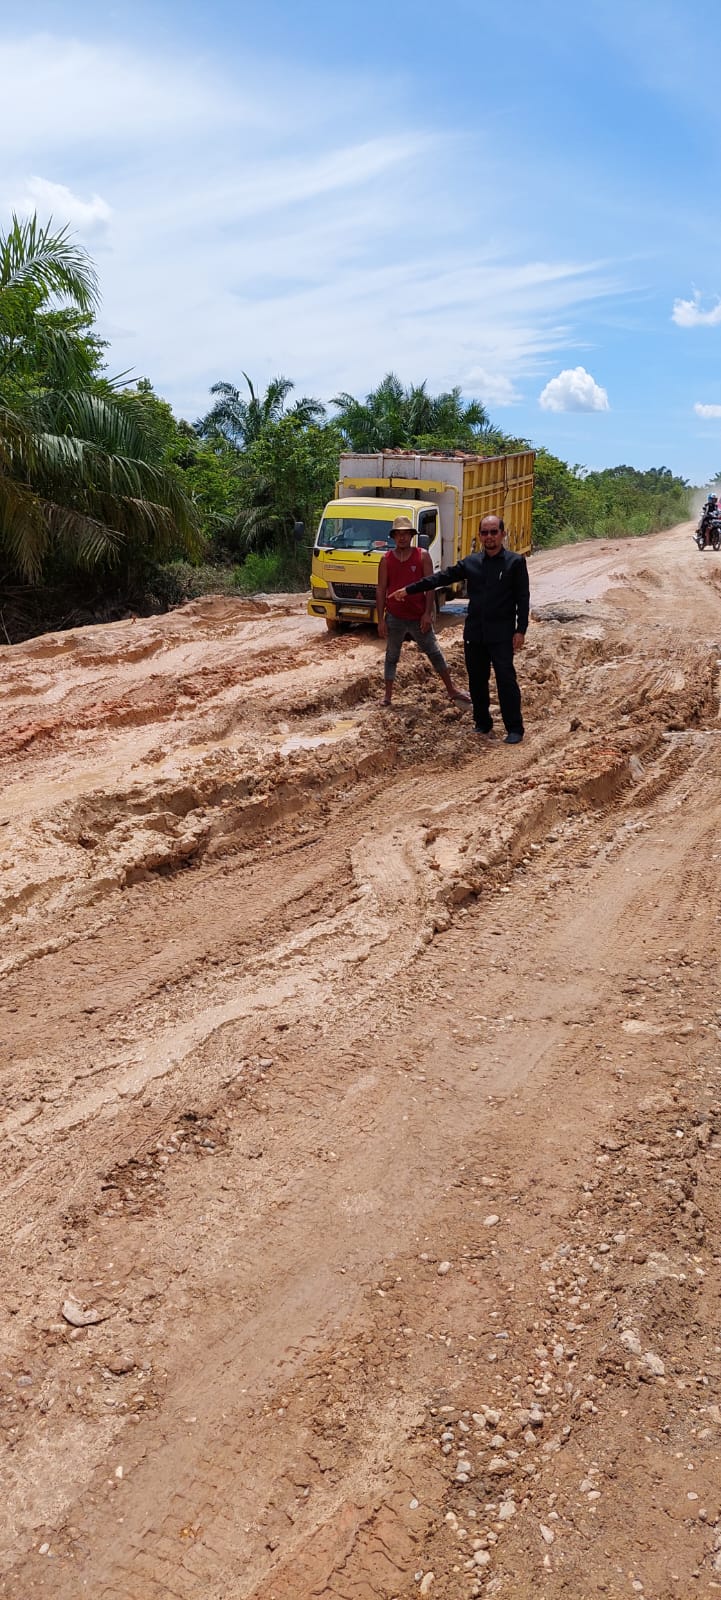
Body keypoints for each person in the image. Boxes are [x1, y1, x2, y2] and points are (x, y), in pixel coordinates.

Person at [388, 514, 529, 744]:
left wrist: (520, 629)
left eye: (494, 532)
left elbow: (523, 598)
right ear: (480, 536)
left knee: (506, 680)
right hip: (475, 633)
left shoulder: (515, 562)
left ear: (503, 534)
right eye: (485, 532)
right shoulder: (471, 563)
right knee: (477, 680)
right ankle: (482, 724)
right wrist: (409, 589)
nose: (490, 537)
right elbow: (440, 578)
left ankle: (514, 728)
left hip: (502, 634)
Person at [376, 516, 471, 708]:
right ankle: (387, 696)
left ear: (412, 536)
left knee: (434, 652)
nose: (402, 538)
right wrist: (380, 619)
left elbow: (430, 587)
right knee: (391, 656)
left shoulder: (422, 556)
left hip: (418, 615)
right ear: (394, 536)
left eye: (405, 534)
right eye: (398, 534)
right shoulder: (386, 560)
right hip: (395, 615)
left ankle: (451, 689)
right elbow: (380, 589)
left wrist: (428, 613)